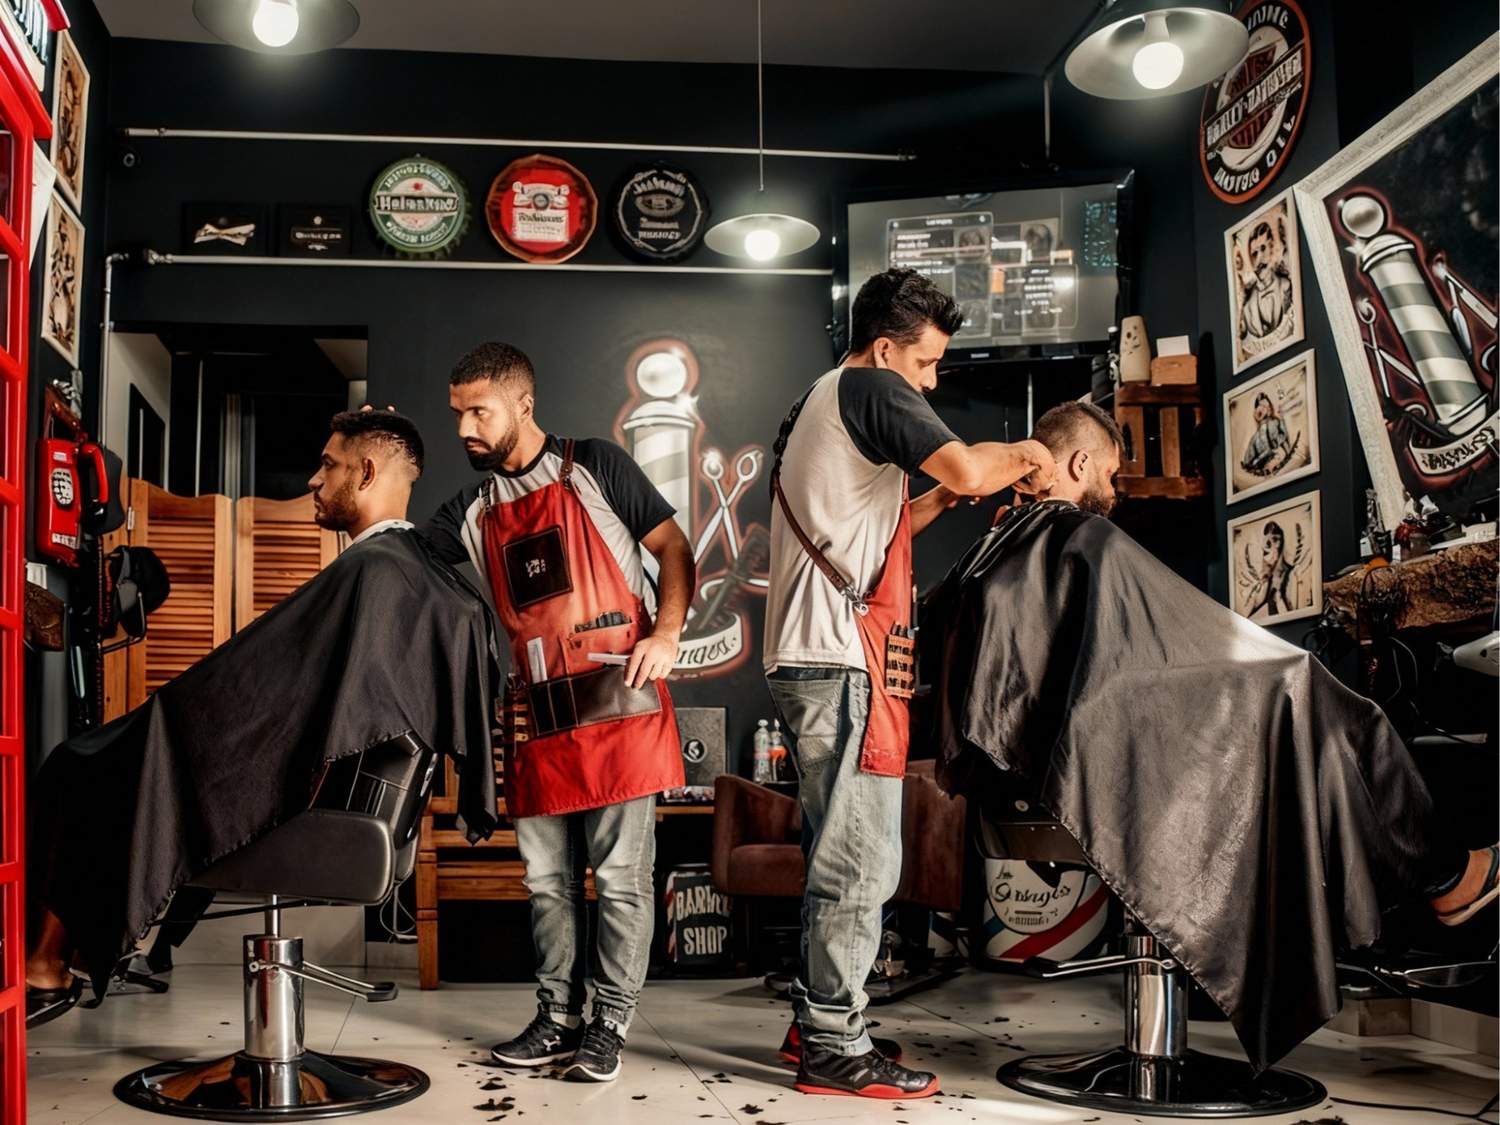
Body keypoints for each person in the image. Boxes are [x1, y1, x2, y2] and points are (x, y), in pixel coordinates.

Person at [927, 400, 1499, 1073]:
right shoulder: (1082, 538)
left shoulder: (997, 550)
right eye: (1108, 473)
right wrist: (1278, 671)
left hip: (1021, 789)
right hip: (1100, 775)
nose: (1113, 489)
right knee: (1335, 715)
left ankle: (1426, 886)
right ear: (1079, 463)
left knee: (1306, 734)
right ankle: (1444, 878)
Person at [26, 410, 500, 1028]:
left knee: (80, 764)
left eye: (328, 465)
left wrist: (172, 715)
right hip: (366, 812)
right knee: (112, 764)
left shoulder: (374, 571)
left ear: (365, 472)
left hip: (314, 813)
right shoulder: (412, 573)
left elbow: (254, 695)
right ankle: (74, 953)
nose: (313, 480)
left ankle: (45, 965)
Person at [761, 267, 1056, 1100]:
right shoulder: (873, 387)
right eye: (926, 363)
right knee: (861, 861)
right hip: (840, 658)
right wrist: (1028, 454)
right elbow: (967, 468)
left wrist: (945, 500)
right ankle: (835, 1044)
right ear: (887, 349)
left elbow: (876, 523)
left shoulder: (821, 399)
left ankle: (815, 1019)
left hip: (807, 655)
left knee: (835, 849)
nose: (930, 381)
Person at [420, 342, 696, 1084]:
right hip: (536, 719)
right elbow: (404, 556)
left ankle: (610, 1022)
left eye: (480, 412)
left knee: (622, 879)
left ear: (524, 404)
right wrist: (383, 461)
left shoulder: (595, 466)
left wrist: (667, 633)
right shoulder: (470, 511)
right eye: (457, 414)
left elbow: (673, 548)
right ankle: (557, 1017)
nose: (465, 428)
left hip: (620, 708)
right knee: (547, 884)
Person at [1238, 219, 1295, 342]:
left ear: (1273, 248)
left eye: (1263, 248)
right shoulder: (1247, 306)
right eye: (1254, 253)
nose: (1259, 258)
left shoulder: (1286, 286)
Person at [1240, 391, 1296, 476]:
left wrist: (1277, 442)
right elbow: (1248, 459)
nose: (1264, 408)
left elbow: (1284, 435)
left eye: (1266, 406)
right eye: (1261, 406)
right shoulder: (1256, 437)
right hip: (1261, 461)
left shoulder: (1275, 422)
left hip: (1276, 454)